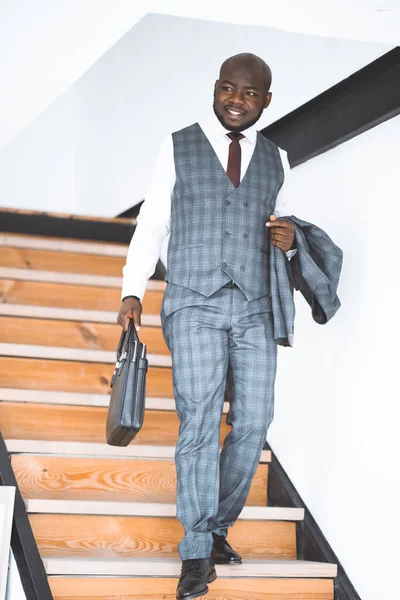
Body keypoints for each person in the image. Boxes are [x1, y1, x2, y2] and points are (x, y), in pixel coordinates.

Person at [118, 53, 297, 600]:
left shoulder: (278, 160)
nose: (235, 99)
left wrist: (288, 240)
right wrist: (132, 289)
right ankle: (195, 551)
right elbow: (152, 223)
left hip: (255, 305)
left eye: (248, 93)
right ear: (215, 89)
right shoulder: (178, 145)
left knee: (254, 421)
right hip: (192, 300)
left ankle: (218, 527)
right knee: (198, 422)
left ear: (266, 100)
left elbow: (283, 227)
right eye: (227, 88)